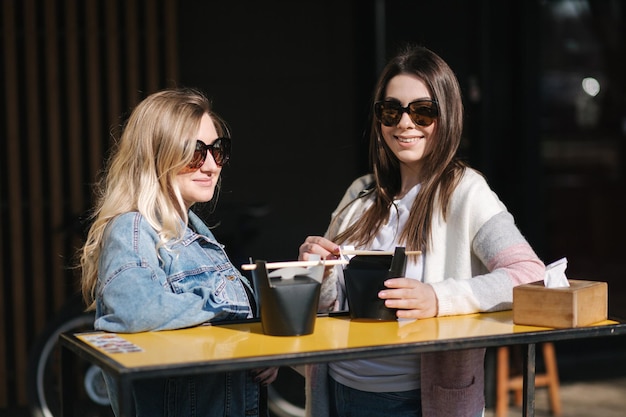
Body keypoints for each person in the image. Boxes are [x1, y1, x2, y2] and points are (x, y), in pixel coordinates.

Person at [298, 45, 545, 417]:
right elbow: (328, 304)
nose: (404, 123)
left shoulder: (465, 190)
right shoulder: (360, 193)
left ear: (447, 117)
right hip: (336, 392)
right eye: (391, 110)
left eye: (423, 111)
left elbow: (530, 275)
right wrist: (318, 272)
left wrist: (438, 298)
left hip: (415, 402)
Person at [80, 87, 277, 417]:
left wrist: (256, 354)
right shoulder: (132, 228)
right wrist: (224, 303)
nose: (212, 165)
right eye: (195, 152)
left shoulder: (197, 235)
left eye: (218, 150)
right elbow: (134, 309)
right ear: (157, 154)